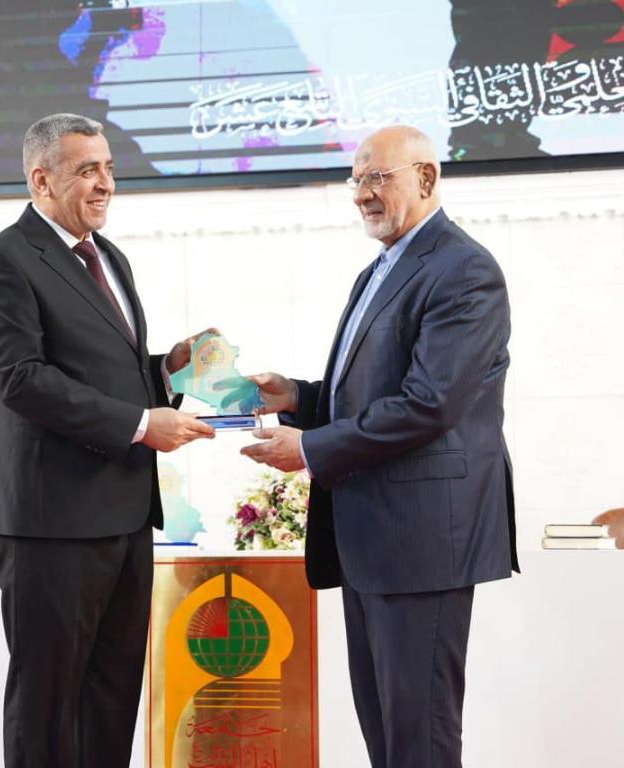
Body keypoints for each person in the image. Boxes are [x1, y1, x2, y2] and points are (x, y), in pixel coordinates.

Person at [238, 125, 519, 768]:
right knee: (387, 735)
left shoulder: (464, 269)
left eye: (377, 178)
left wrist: (310, 449)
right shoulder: (380, 269)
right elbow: (371, 393)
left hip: (422, 543)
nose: (362, 193)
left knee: (420, 738)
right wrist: (296, 395)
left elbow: (430, 403)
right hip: (371, 541)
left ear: (426, 178)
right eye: (356, 179)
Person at [0, 112, 215, 768]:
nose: (105, 183)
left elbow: (110, 373)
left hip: (124, 517)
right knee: (47, 708)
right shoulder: (1, 262)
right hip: (51, 524)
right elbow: (21, 380)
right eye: (87, 171)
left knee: (110, 701)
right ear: (41, 180)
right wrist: (142, 424)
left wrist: (167, 372)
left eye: (108, 168)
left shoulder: (110, 257)